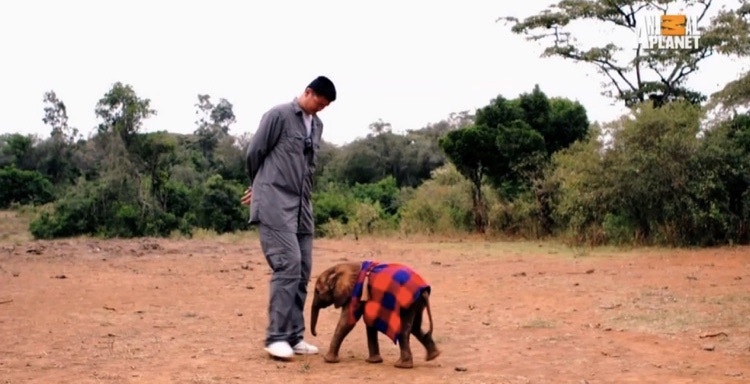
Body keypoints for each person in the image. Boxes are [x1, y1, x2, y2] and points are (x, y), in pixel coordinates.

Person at [240, 75, 336, 359]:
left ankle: (294, 336)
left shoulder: (317, 125)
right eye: (319, 102)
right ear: (307, 92)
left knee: (304, 268)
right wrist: (257, 186)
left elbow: (309, 167)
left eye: (325, 106)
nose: (320, 109)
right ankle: (276, 337)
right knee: (288, 264)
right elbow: (254, 152)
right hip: (274, 200)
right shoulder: (278, 115)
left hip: (302, 205)